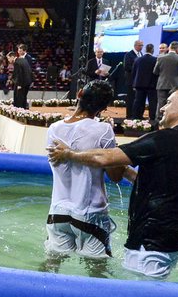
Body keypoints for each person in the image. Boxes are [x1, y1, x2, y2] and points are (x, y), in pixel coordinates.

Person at [48, 86, 178, 279]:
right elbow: (160, 182)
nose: (162, 108)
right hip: (176, 238)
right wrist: (124, 170)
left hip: (151, 241)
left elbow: (105, 158)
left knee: (138, 296)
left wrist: (68, 154)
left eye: (168, 102)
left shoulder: (165, 139)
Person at [44, 80, 124, 271]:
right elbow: (116, 175)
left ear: (79, 93)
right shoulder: (103, 130)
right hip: (91, 215)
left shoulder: (54, 128)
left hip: (58, 212)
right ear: (104, 107)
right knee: (97, 272)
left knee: (51, 267)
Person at [152, 42, 178, 125]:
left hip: (162, 84)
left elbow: (155, 71)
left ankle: (159, 122)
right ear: (177, 49)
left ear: (169, 48)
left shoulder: (160, 58)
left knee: (161, 103)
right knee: (174, 103)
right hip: (176, 85)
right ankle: (172, 121)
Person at [130, 43, 158, 120]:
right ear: (152, 50)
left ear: (145, 50)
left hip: (139, 84)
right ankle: (152, 118)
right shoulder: (155, 60)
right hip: (152, 85)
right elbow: (157, 73)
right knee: (152, 102)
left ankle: (136, 117)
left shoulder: (137, 59)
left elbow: (134, 72)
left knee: (138, 102)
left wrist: (134, 84)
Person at [123, 40, 144, 118]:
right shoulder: (129, 54)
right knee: (131, 99)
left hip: (139, 81)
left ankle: (138, 115)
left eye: (142, 45)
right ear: (135, 45)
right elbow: (127, 67)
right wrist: (138, 70)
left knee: (139, 99)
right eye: (140, 45)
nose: (141, 47)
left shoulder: (141, 54)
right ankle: (129, 115)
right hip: (131, 81)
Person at [9, 44, 33, 109]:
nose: (18, 52)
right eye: (18, 50)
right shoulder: (19, 58)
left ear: (24, 51)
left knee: (22, 96)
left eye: (20, 50)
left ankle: (22, 108)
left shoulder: (28, 58)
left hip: (24, 80)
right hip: (20, 80)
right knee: (20, 96)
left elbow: (28, 70)